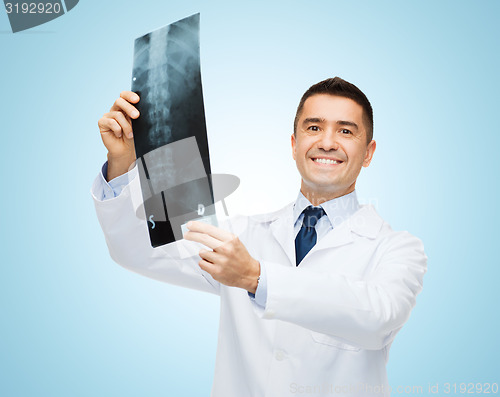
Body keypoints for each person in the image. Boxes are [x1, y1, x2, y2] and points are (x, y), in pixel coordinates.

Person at [92, 77, 427, 397]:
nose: (327, 142)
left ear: (368, 153)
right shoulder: (241, 235)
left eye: (345, 131)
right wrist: (121, 162)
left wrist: (256, 277)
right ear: (294, 146)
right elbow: (138, 251)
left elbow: (378, 319)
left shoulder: (397, 248)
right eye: (313, 128)